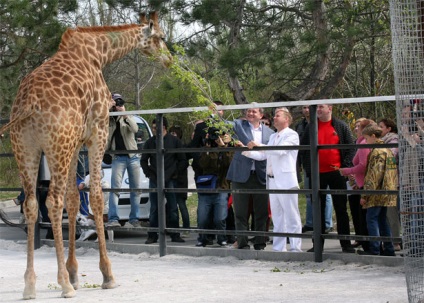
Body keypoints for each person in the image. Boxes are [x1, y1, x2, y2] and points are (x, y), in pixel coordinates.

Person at [242, 107, 302, 252]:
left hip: (286, 181)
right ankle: (279, 248)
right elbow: (264, 155)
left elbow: (280, 150)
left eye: (277, 115)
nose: (274, 118)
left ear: (286, 119)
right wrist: (245, 151)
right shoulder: (274, 136)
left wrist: (259, 145)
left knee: (291, 215)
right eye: (274, 115)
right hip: (273, 180)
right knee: (277, 216)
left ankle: (295, 248)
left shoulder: (292, 135)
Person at [300, 104, 356, 253]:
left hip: (337, 173)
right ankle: (318, 244)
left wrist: (345, 167)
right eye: (316, 107)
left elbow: (351, 147)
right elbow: (304, 148)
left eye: (321, 107)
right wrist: (308, 169)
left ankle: (345, 243)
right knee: (318, 208)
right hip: (317, 174)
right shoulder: (311, 127)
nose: (318, 110)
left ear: (330, 108)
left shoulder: (340, 126)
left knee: (341, 209)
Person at [226, 103, 274, 250]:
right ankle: (242, 243)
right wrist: (216, 113)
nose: (250, 113)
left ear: (261, 115)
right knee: (240, 212)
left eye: (254, 111)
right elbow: (223, 124)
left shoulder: (270, 132)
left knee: (261, 213)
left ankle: (260, 243)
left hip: (260, 176)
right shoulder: (239, 125)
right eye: (248, 111)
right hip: (240, 176)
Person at [141, 117, 188, 244]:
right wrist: (149, 173)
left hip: (170, 179)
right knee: (154, 208)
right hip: (155, 179)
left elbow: (183, 160)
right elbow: (143, 160)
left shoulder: (175, 141)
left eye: (157, 128)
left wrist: (175, 173)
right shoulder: (150, 142)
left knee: (173, 207)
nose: (154, 130)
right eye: (153, 128)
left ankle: (175, 234)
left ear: (164, 127)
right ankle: (152, 235)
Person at [357, 124, 397, 256]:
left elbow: (374, 175)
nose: (366, 141)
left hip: (377, 192)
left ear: (373, 136)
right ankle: (389, 248)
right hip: (387, 190)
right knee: (382, 219)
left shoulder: (377, 152)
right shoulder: (388, 149)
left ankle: (375, 249)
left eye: (367, 138)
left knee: (372, 218)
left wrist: (365, 195)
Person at [295, 105, 333, 234]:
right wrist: (302, 163)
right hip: (309, 165)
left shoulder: (329, 124)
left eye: (309, 107)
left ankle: (326, 223)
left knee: (325, 195)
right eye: (304, 107)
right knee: (310, 194)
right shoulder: (301, 125)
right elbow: (302, 146)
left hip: (327, 166)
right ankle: (311, 223)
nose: (307, 110)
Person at [106, 93, 142, 228]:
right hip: (117, 158)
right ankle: (113, 219)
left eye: (119, 102)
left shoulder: (128, 116)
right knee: (115, 189)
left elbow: (135, 129)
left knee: (136, 190)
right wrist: (108, 109)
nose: (118, 105)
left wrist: (125, 115)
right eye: (116, 102)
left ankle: (134, 219)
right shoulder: (108, 119)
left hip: (132, 157)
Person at [339, 118, 375, 252]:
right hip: (358, 183)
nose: (355, 129)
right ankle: (366, 244)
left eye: (358, 127)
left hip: (366, 184)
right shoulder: (358, 143)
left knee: (369, 217)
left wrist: (348, 171)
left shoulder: (364, 144)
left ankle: (371, 247)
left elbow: (363, 165)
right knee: (361, 215)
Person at [195, 132, 233, 247]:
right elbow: (202, 165)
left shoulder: (228, 149)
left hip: (221, 188)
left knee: (220, 218)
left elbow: (228, 164)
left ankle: (222, 238)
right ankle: (202, 238)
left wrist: (223, 147)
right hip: (206, 188)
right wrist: (207, 148)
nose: (216, 139)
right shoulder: (206, 149)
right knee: (202, 218)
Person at [378, 118, 402, 251]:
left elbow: (391, 156)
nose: (379, 129)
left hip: (392, 181)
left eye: (381, 126)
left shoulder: (393, 140)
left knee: (392, 212)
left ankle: (396, 241)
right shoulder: (381, 141)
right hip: (385, 180)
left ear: (388, 129)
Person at [169, 125, 190, 236]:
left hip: (180, 182)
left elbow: (183, 164)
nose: (172, 136)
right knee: (173, 206)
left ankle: (186, 228)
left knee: (182, 205)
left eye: (174, 133)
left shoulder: (182, 147)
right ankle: (175, 228)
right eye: (171, 133)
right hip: (173, 180)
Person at [77, 172, 110, 241]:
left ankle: (109, 240)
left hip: (102, 209)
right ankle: (86, 236)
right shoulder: (89, 181)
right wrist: (83, 183)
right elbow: (84, 182)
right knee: (90, 223)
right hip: (92, 209)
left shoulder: (105, 185)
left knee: (104, 224)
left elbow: (104, 200)